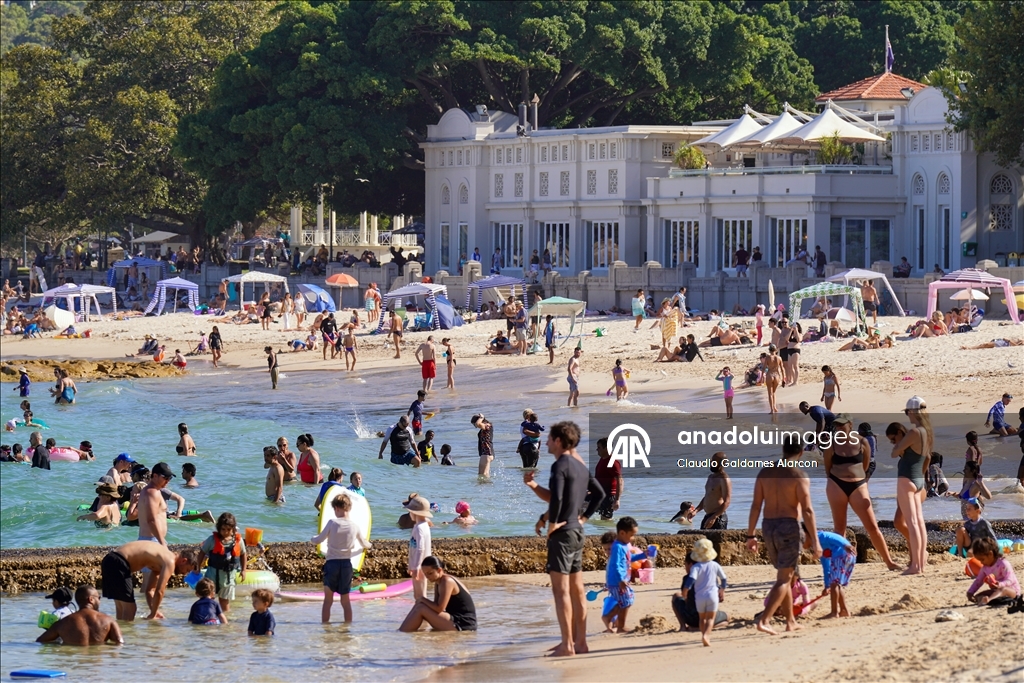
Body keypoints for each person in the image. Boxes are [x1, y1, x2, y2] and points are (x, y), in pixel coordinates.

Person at [524, 421, 604, 657]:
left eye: (549, 438)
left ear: (558, 441)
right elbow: (597, 494)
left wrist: (552, 524)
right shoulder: (579, 466)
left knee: (561, 593)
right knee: (577, 591)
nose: (546, 442)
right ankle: (580, 642)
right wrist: (583, 518)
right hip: (577, 532)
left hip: (563, 534)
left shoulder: (560, 465)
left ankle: (566, 645)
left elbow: (557, 497)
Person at [745, 438, 821, 635]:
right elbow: (808, 510)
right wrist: (816, 541)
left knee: (785, 576)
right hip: (788, 527)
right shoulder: (799, 476)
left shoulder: (765, 472)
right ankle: (765, 620)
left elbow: (755, 505)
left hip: (768, 526)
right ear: (801, 453)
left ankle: (790, 621)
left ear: (783, 450)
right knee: (784, 579)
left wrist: (751, 535)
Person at [823, 414, 900, 571]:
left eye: (842, 425)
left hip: (858, 485)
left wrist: (857, 479)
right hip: (836, 484)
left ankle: (889, 562)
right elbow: (827, 468)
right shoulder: (831, 443)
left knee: (872, 526)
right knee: (839, 528)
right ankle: (837, 565)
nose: (838, 428)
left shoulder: (862, 442)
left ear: (850, 425)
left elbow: (865, 466)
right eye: (836, 425)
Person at [311, 493, 372, 623]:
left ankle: (325, 627)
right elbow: (364, 543)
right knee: (345, 600)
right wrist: (370, 545)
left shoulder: (332, 523)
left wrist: (312, 539)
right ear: (348, 508)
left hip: (332, 564)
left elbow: (318, 540)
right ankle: (347, 628)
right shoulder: (354, 526)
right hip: (346, 565)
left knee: (328, 600)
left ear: (337, 508)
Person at [100, 541, 197, 621]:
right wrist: (152, 615)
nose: (185, 574)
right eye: (187, 570)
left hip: (110, 560)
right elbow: (160, 591)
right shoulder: (170, 561)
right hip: (119, 562)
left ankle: (121, 637)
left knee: (122, 607)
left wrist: (154, 611)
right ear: (183, 561)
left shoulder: (161, 560)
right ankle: (125, 641)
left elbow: (150, 590)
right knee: (130, 608)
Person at [891, 396, 932, 575]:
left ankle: (916, 565)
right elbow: (927, 457)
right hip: (919, 479)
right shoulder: (927, 432)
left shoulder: (914, 433)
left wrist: (899, 445)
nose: (907, 415)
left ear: (913, 412)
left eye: (907, 412)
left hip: (906, 478)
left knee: (912, 523)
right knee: (919, 523)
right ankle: (920, 562)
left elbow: (894, 452)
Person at [399, 556, 477, 632]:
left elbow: (439, 608)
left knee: (421, 608)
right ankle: (403, 631)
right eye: (425, 574)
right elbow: (436, 606)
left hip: (464, 623)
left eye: (430, 573)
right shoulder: (438, 582)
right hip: (453, 617)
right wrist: (421, 601)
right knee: (420, 606)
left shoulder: (447, 581)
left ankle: (401, 633)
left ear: (439, 570)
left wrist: (422, 599)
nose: (427, 577)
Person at [37, 585, 123, 646]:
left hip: (76, 665)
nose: (100, 601)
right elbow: (120, 644)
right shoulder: (109, 620)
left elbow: (40, 641)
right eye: (99, 598)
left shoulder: (62, 623)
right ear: (91, 599)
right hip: (98, 668)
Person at [197, 512, 247, 616]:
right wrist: (198, 566)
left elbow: (243, 554)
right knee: (208, 598)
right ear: (218, 528)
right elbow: (202, 552)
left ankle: (225, 624)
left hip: (228, 578)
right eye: (223, 529)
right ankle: (207, 617)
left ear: (233, 529)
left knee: (224, 601)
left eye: (228, 530)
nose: (225, 532)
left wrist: (243, 570)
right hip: (212, 575)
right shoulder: (212, 540)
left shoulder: (238, 541)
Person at [683, 538, 728, 646]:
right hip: (712, 595)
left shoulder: (696, 567)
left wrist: (685, 590)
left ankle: (703, 634)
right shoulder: (715, 565)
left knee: (702, 618)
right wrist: (722, 589)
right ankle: (706, 635)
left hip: (700, 596)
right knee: (710, 618)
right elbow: (724, 579)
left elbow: (691, 580)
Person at [672, 555, 728, 633]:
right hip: (710, 613)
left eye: (685, 565)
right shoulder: (712, 576)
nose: (685, 568)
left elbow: (686, 597)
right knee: (725, 616)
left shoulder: (687, 578)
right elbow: (720, 596)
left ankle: (683, 626)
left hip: (691, 619)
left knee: (676, 596)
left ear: (690, 565)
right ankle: (713, 625)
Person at [602, 517, 639, 633]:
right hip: (617, 581)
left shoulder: (623, 546)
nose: (633, 538)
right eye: (632, 535)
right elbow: (616, 565)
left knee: (626, 601)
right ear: (622, 533)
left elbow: (629, 558)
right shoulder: (617, 547)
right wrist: (620, 580)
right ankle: (618, 624)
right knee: (626, 601)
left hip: (620, 581)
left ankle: (614, 621)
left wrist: (643, 555)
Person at [966, 537, 1022, 605]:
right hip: (996, 591)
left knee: (1003, 590)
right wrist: (970, 592)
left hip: (1012, 591)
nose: (981, 562)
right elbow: (978, 581)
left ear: (990, 554)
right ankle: (985, 600)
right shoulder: (985, 568)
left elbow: (1010, 580)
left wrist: (1000, 584)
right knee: (978, 596)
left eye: (982, 559)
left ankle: (989, 600)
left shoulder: (1003, 564)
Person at [405, 496, 433, 600]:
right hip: (421, 564)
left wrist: (416, 567)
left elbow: (420, 548)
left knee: (420, 595)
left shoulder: (420, 528)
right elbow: (414, 548)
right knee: (418, 594)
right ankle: (421, 613)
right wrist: (411, 565)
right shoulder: (423, 525)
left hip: (420, 566)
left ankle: (423, 614)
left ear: (414, 512)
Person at [693, 457, 732, 530]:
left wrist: (714, 517)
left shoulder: (724, 479)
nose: (711, 464)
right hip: (708, 516)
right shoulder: (710, 477)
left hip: (718, 517)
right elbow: (707, 496)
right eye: (711, 462)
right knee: (702, 540)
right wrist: (696, 511)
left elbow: (727, 502)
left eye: (714, 462)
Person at [593, 438, 623, 521]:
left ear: (606, 448)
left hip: (609, 496)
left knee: (605, 520)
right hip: (599, 493)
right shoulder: (603, 459)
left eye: (599, 447)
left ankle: (609, 533)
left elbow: (620, 481)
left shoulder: (613, 462)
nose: (597, 449)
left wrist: (617, 500)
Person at [471, 413, 495, 477]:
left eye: (473, 424)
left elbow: (477, 424)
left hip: (486, 452)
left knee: (482, 475)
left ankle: (484, 486)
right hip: (486, 453)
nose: (475, 426)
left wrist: (481, 417)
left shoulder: (487, 425)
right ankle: (488, 486)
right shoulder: (485, 427)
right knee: (484, 475)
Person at [764, 344, 783, 414]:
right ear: (776, 350)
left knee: (770, 393)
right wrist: (783, 378)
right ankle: (774, 407)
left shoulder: (768, 357)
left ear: (769, 350)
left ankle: (772, 409)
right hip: (776, 375)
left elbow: (764, 367)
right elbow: (782, 369)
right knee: (774, 392)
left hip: (770, 375)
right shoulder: (779, 358)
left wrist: (761, 378)